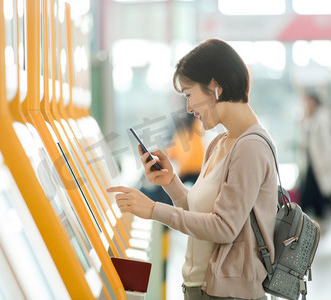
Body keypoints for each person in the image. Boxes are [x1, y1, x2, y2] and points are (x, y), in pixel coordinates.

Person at [107, 39, 278, 300]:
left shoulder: (251, 147)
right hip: (202, 289)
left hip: (228, 295)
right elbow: (200, 213)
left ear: (214, 87)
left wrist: (154, 210)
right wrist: (170, 182)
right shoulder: (221, 142)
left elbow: (224, 228)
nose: (188, 109)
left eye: (188, 94)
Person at [298, 92, 331, 232]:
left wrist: (326, 164)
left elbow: (328, 144)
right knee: (311, 195)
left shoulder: (322, 118)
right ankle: (307, 225)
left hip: (323, 166)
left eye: (308, 103)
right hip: (315, 165)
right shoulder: (312, 119)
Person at [167, 113, 206, 186]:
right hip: (186, 173)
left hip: (198, 171)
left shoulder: (196, 128)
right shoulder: (178, 136)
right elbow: (172, 152)